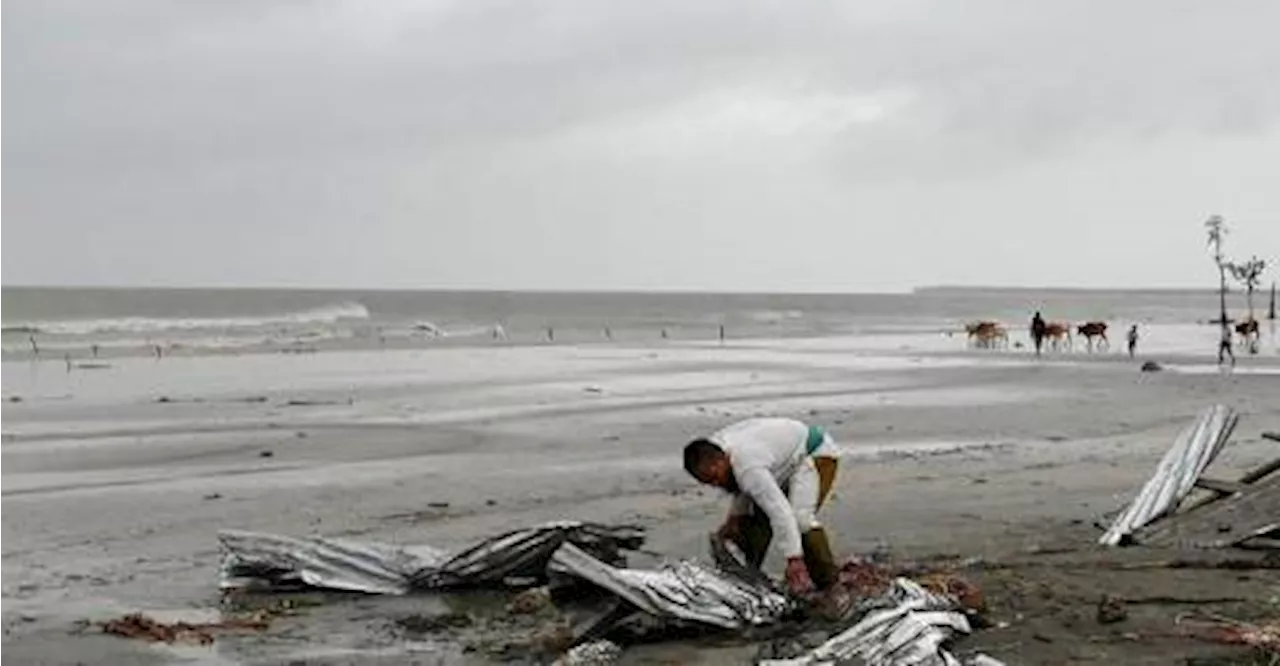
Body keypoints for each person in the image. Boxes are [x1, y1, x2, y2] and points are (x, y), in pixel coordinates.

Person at [683, 417, 842, 595]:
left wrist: (793, 559)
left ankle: (829, 585)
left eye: (715, 478)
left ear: (723, 460)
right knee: (750, 520)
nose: (715, 484)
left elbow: (780, 511)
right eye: (708, 482)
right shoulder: (713, 450)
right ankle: (748, 579)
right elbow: (739, 485)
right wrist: (734, 518)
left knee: (801, 521)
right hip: (777, 460)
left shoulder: (748, 467)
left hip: (813, 452)